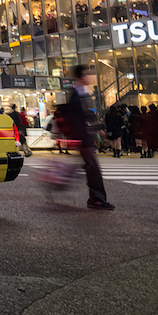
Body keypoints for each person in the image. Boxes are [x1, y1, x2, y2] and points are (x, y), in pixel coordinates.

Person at [60, 65, 113, 210]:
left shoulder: (83, 93)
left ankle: (94, 197)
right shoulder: (76, 95)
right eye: (87, 74)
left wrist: (97, 130)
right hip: (83, 139)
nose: (89, 76)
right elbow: (76, 119)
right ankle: (96, 198)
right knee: (93, 168)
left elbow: (86, 116)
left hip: (84, 137)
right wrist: (84, 137)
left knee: (89, 167)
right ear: (80, 77)